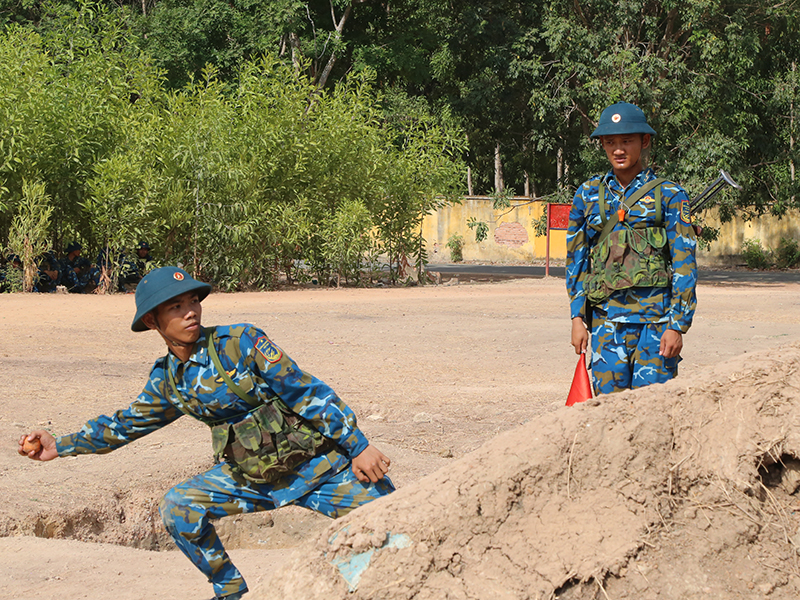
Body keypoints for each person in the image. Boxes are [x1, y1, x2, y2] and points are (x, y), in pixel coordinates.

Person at [19, 266, 394, 600]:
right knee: (179, 506)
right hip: (250, 478)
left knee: (398, 528)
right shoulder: (168, 380)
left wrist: (358, 445)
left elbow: (307, 392)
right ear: (152, 322)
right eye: (175, 307)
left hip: (320, 470)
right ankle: (230, 591)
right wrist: (61, 446)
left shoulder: (241, 342)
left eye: (192, 301)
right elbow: (125, 424)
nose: (191, 311)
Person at [566, 101, 697, 395]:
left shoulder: (670, 195)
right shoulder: (587, 194)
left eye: (627, 140)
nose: (618, 149)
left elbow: (684, 263)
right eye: (610, 142)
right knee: (606, 416)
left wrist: (677, 325)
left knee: (653, 415)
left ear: (644, 141)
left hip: (656, 325)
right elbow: (576, 259)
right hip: (605, 323)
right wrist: (577, 317)